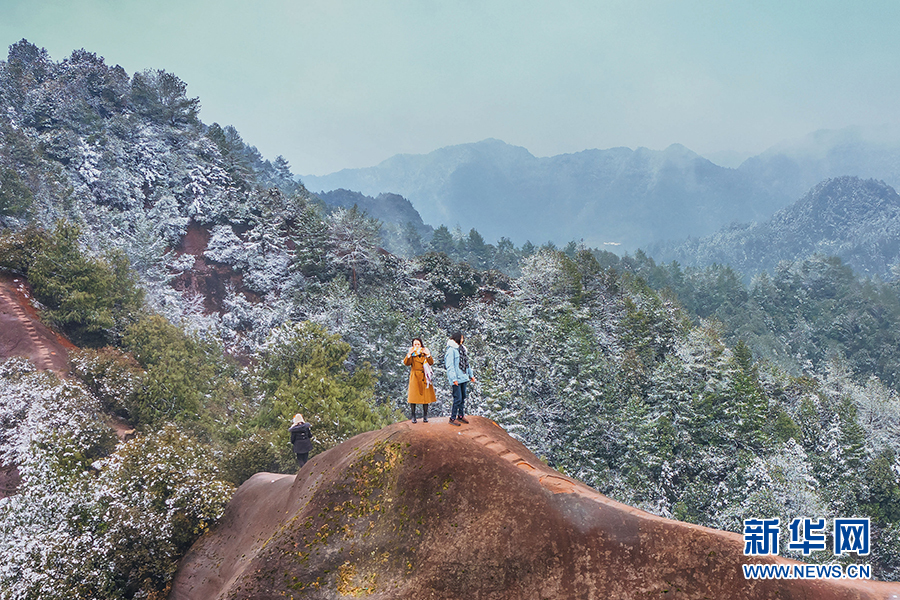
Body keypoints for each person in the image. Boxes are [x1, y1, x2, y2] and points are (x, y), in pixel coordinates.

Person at [445, 331, 475, 426]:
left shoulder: (462, 349)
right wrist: (453, 378)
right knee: (457, 398)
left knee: (463, 397)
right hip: (456, 378)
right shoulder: (451, 350)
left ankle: (461, 415)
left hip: (464, 377)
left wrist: (471, 375)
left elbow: (467, 364)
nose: (463, 339)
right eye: (461, 338)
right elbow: (450, 365)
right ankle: (452, 418)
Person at [404, 338, 436, 423]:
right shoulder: (412, 354)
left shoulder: (425, 353)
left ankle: (425, 415)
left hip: (424, 376)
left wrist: (428, 355)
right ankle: (413, 416)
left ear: (421, 345)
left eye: (418, 344)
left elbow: (431, 362)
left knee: (425, 398)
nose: (417, 346)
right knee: (413, 397)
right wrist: (409, 354)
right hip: (415, 377)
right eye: (415, 344)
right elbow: (406, 363)